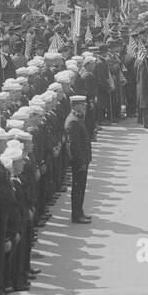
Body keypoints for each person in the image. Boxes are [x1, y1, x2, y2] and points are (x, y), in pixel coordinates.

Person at [65, 95, 92, 224]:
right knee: (78, 188)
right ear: (75, 106)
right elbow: (74, 145)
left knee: (80, 188)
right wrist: (81, 162)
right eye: (82, 105)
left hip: (83, 160)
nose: (84, 106)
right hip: (79, 162)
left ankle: (79, 212)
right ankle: (76, 215)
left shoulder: (77, 118)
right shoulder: (73, 121)